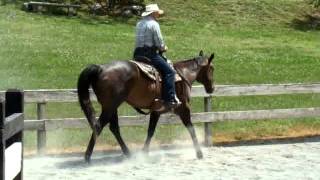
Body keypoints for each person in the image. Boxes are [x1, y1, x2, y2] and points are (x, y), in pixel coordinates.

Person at [133, 4, 180, 109]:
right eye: (157, 13)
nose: (158, 15)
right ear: (153, 13)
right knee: (169, 72)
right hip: (150, 54)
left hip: (137, 53)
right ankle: (169, 99)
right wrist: (163, 48)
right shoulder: (154, 24)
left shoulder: (139, 24)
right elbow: (159, 42)